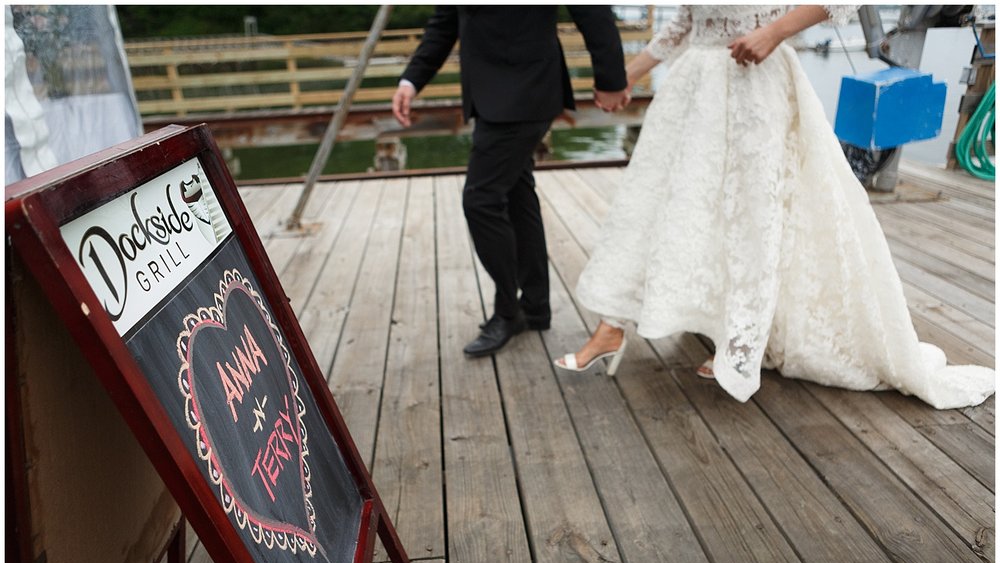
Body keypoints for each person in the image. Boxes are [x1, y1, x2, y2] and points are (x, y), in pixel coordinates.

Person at [554, 5, 994, 410]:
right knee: (654, 204)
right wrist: (627, 75)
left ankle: (741, 341)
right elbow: (685, 23)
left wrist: (773, 33)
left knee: (751, 214)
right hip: (694, 88)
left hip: (756, 82)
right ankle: (612, 325)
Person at [393, 6, 630, 357]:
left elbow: (592, 10)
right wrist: (411, 80)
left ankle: (508, 311)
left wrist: (610, 79)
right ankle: (534, 306)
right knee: (517, 193)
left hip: (528, 85)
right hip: (491, 92)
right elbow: (446, 22)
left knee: (481, 200)